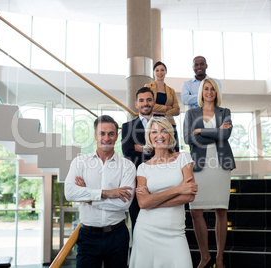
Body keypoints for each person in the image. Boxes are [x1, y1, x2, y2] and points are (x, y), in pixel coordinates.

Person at [65, 115, 136, 268]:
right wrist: (107, 193)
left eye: (111, 133)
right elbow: (70, 193)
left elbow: (124, 204)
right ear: (95, 135)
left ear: (117, 136)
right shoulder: (80, 162)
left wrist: (88, 197)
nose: (106, 138)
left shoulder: (127, 166)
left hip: (117, 235)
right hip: (88, 236)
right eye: (102, 133)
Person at [129, 116, 197, 268]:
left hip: (175, 232)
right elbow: (143, 202)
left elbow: (189, 195)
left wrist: (153, 200)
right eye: (154, 132)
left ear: (170, 135)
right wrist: (178, 189)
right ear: (149, 137)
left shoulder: (183, 158)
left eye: (163, 131)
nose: (159, 136)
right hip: (146, 231)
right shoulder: (143, 168)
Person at [183, 78, 235, 268]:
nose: (209, 91)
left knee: (221, 210)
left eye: (212, 88)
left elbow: (226, 135)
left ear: (216, 92)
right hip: (199, 165)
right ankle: (205, 256)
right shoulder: (191, 113)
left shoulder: (225, 112)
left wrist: (201, 131)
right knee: (196, 211)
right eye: (206, 88)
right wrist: (215, 133)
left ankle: (220, 258)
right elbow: (189, 139)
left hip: (221, 164)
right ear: (201, 92)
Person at [121, 87, 179, 230]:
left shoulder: (167, 124)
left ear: (153, 102)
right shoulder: (127, 127)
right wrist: (158, 150)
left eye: (148, 100)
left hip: (165, 180)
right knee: (138, 225)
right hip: (139, 183)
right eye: (141, 100)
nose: (145, 103)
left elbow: (174, 151)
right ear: (136, 104)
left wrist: (141, 148)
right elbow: (128, 154)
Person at [145, 61, 180, 152]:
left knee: (173, 151)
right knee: (155, 150)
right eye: (157, 70)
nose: (160, 73)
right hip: (154, 123)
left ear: (166, 72)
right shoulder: (148, 87)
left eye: (162, 70)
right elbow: (149, 105)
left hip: (169, 123)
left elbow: (177, 110)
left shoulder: (171, 90)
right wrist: (166, 108)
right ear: (153, 73)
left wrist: (163, 112)